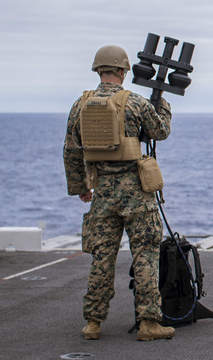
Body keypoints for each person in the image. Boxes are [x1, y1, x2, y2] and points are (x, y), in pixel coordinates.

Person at [63, 45, 174, 341]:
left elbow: (71, 150)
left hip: (102, 193)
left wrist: (80, 188)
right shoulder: (135, 101)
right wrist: (162, 103)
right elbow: (160, 131)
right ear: (123, 71)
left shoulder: (81, 103)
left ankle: (93, 323)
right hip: (137, 191)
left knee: (101, 258)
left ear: (99, 70)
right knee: (146, 256)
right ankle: (149, 323)